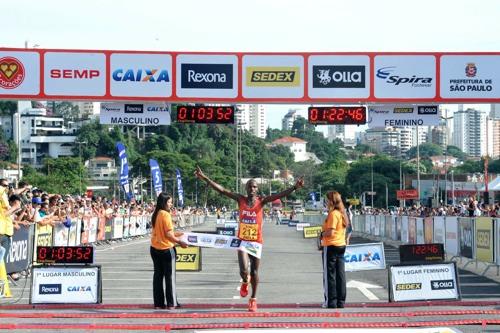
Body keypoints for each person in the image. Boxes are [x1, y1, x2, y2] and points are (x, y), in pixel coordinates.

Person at [195, 166, 304, 312]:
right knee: (243, 271)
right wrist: (205, 178)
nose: (252, 189)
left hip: (256, 242)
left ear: (257, 189)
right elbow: (222, 190)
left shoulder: (262, 201)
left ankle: (253, 299)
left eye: (254, 187)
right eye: (250, 186)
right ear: (246, 189)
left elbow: (279, 194)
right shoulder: (240, 199)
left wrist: (294, 187)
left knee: (254, 272)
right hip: (242, 241)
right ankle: (245, 282)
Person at [150, 193, 188, 310]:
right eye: (169, 202)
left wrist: (179, 234)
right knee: (170, 277)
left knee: (158, 276)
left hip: (155, 248)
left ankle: (158, 303)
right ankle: (172, 303)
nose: (171, 204)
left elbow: (162, 232)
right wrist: (180, 242)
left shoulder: (155, 214)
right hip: (166, 249)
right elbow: (168, 235)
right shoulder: (165, 215)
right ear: (164, 202)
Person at [320, 191, 348, 309]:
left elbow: (330, 232)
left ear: (331, 201)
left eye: (327, 200)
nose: (326, 203)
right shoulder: (342, 213)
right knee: (340, 274)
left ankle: (331, 301)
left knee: (329, 274)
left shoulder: (333, 214)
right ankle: (340, 301)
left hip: (331, 245)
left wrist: (321, 234)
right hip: (341, 244)